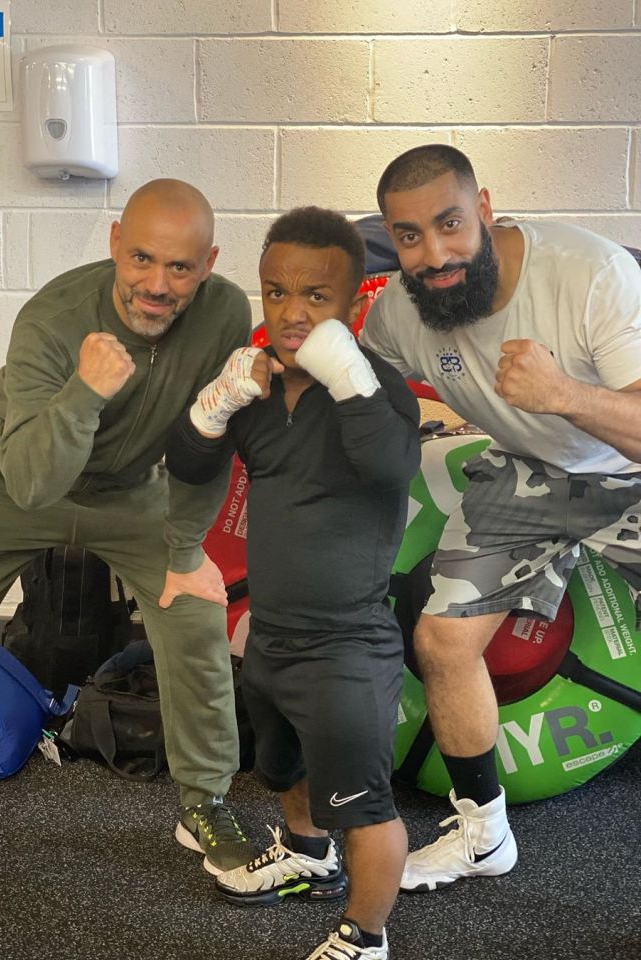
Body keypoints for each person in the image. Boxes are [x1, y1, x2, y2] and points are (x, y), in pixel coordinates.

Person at [0, 178, 260, 908]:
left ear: (208, 264)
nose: (157, 284)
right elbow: (31, 483)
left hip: (129, 495)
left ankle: (205, 803)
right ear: (115, 241)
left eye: (180, 268)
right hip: (7, 486)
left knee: (198, 618)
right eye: (142, 258)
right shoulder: (51, 318)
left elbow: (213, 437)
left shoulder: (224, 314)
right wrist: (85, 390)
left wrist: (185, 552)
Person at [360, 144, 641, 893]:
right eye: (410, 235)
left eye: (450, 223)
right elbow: (360, 386)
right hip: (533, 475)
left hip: (631, 465)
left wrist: (565, 395)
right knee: (444, 641)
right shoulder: (399, 313)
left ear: (485, 208)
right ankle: (484, 836)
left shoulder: (592, 276)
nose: (435, 253)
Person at [166, 207, 421, 960]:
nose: (293, 313)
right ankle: (308, 861)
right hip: (271, 636)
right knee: (285, 768)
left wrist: (349, 377)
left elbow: (389, 469)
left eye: (316, 296)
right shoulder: (262, 389)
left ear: (353, 304)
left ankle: (365, 936)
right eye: (277, 293)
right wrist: (216, 405)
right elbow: (187, 462)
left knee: (365, 806)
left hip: (346, 644)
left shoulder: (378, 390)